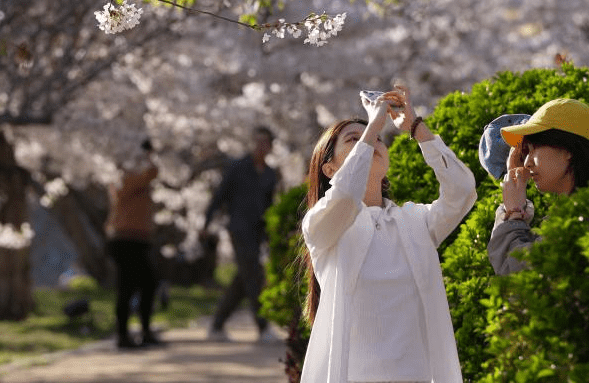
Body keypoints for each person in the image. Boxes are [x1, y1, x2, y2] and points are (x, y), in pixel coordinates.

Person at [299, 84, 478, 383]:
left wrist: (416, 127)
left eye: (378, 138)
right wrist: (372, 127)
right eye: (353, 140)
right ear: (329, 169)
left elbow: (462, 191)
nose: (372, 142)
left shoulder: (415, 221)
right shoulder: (323, 225)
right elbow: (345, 196)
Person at [488, 98, 589, 276]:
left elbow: (522, 277)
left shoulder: (586, 216)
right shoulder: (588, 206)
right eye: (526, 152)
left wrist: (514, 211)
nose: (527, 163)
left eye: (534, 149)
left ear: (567, 149)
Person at [203, 125, 280, 341]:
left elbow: (269, 204)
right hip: (239, 228)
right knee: (254, 276)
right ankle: (263, 327)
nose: (260, 146)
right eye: (257, 141)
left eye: (264, 142)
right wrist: (206, 222)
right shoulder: (237, 168)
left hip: (258, 231)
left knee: (243, 278)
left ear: (271, 146)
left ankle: (217, 325)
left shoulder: (270, 174)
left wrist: (271, 232)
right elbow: (219, 196)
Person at [105, 138, 162, 349]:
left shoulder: (139, 175)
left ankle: (144, 331)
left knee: (148, 284)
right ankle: (122, 334)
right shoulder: (122, 175)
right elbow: (150, 174)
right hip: (124, 238)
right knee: (127, 287)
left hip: (140, 238)